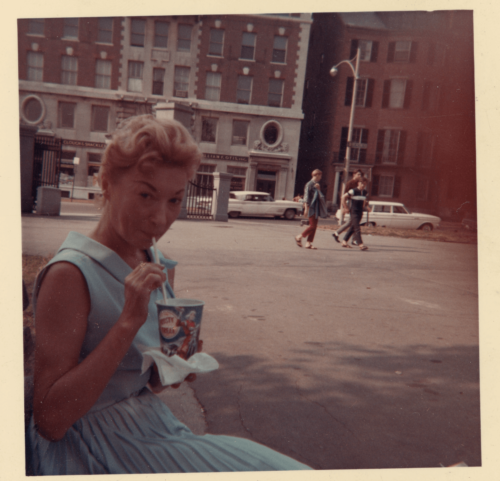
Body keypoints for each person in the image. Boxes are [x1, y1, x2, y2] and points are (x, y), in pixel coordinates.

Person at [27, 115, 311, 475]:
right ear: (108, 183)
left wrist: (174, 367)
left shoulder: (153, 259)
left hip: (152, 427)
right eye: (146, 195)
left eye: (175, 200)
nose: (160, 218)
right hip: (89, 444)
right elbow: (50, 421)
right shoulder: (70, 274)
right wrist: (128, 323)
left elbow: (141, 383)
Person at [295, 169, 328, 249]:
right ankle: (299, 236)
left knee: (314, 226)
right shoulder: (309, 184)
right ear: (316, 175)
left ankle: (308, 243)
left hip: (316, 207)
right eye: (320, 175)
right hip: (311, 207)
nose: (321, 177)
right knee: (312, 226)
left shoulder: (316, 184)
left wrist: (319, 189)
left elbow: (320, 196)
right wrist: (306, 208)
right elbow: (306, 196)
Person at [332, 169, 364, 244]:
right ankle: (353, 239)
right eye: (358, 174)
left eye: (360, 175)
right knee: (353, 222)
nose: (359, 176)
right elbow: (345, 195)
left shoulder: (359, 183)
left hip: (356, 203)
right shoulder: (350, 183)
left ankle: (337, 233)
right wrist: (345, 207)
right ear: (354, 175)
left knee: (352, 222)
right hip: (351, 203)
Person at [340, 177, 371, 251]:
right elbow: (343, 197)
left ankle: (344, 241)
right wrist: (346, 208)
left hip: (360, 212)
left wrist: (367, 206)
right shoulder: (353, 191)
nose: (363, 185)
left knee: (353, 227)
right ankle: (361, 244)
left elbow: (364, 201)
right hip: (354, 212)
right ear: (358, 183)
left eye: (364, 184)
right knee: (357, 228)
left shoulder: (365, 192)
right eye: (361, 183)